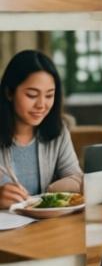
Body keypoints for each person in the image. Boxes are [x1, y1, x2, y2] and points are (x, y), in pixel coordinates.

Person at [0, 50, 82, 208]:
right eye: (31, 95)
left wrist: (57, 188)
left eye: (49, 95)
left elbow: (75, 177)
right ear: (9, 92)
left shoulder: (58, 131)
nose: (41, 105)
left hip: (46, 227)